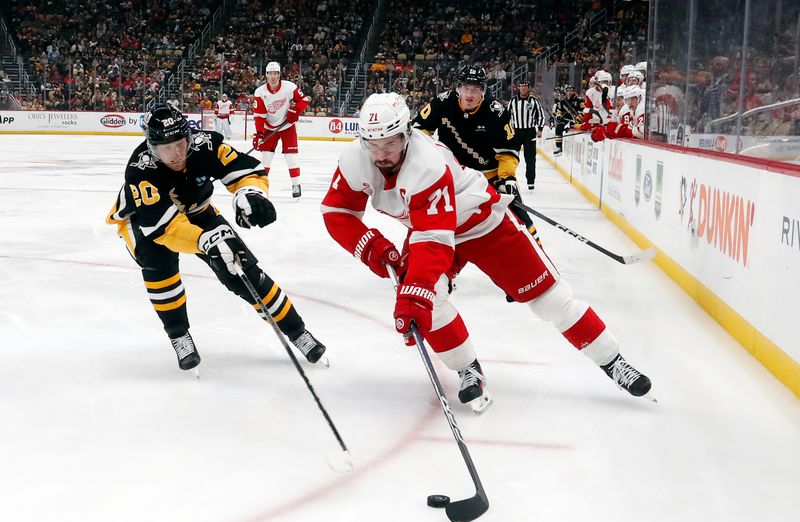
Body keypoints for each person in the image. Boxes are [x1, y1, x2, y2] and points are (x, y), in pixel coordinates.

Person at [321, 93, 653, 412]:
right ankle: (468, 368)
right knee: (430, 302)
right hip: (430, 230)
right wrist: (374, 250)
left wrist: (414, 294)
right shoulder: (356, 159)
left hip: (481, 224)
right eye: (373, 144)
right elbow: (338, 213)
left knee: (550, 300)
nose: (381, 154)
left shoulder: (426, 164)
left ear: (407, 135)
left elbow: (434, 241)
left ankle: (614, 361)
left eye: (390, 143)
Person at [106, 104, 326, 370]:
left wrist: (249, 193)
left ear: (189, 137)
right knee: (158, 264)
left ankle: (297, 331)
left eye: (180, 144)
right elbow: (165, 230)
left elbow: (248, 172)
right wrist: (206, 240)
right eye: (165, 148)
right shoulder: (140, 169)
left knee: (241, 267)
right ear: (152, 148)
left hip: (196, 210)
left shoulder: (205, 145)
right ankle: (178, 334)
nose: (176, 154)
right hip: (144, 222)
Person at [412, 64, 539, 242]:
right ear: (458, 88)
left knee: (522, 223)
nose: (470, 94)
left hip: (491, 177)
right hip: (454, 179)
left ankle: (536, 256)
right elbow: (418, 133)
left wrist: (507, 178)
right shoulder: (442, 103)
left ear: (483, 91)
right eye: (466, 88)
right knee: (439, 225)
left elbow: (508, 152)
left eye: (476, 89)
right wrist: (425, 163)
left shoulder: (496, 112)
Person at [253, 61, 310, 199]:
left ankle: (296, 184)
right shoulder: (260, 92)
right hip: (268, 128)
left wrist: (294, 110)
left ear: (279, 74)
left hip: (287, 127)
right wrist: (259, 134)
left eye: (275, 73)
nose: (272, 76)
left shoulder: (289, 87)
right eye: (270, 73)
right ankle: (262, 186)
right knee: (266, 158)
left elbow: (305, 100)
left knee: (291, 157)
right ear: (266, 75)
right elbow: (260, 116)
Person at [507, 80, 546, 190]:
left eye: (525, 86)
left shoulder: (534, 100)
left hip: (530, 132)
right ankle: (510, 178)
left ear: (528, 88)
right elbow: (507, 116)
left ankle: (530, 181)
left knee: (530, 158)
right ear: (518, 88)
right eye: (521, 86)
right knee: (512, 156)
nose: (523, 88)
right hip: (516, 132)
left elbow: (541, 116)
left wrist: (540, 129)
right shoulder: (513, 101)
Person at [552, 84, 583, 155]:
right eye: (568, 90)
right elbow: (559, 111)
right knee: (559, 127)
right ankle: (559, 147)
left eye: (571, 90)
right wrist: (558, 116)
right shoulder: (562, 102)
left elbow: (584, 110)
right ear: (565, 91)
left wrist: (580, 117)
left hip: (576, 121)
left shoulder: (578, 100)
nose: (569, 92)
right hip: (567, 120)